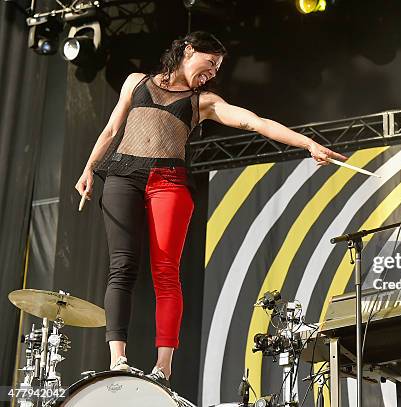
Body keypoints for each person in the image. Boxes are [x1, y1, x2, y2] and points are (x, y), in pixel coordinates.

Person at [74, 31, 347, 386]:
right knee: (122, 267)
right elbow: (111, 130)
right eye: (210, 63)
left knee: (166, 273)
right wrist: (89, 169)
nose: (213, 73)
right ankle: (118, 359)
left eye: (218, 68)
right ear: (189, 51)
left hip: (168, 182)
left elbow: (255, 121)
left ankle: (163, 366)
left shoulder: (202, 101)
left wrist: (308, 144)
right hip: (122, 175)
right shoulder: (135, 82)